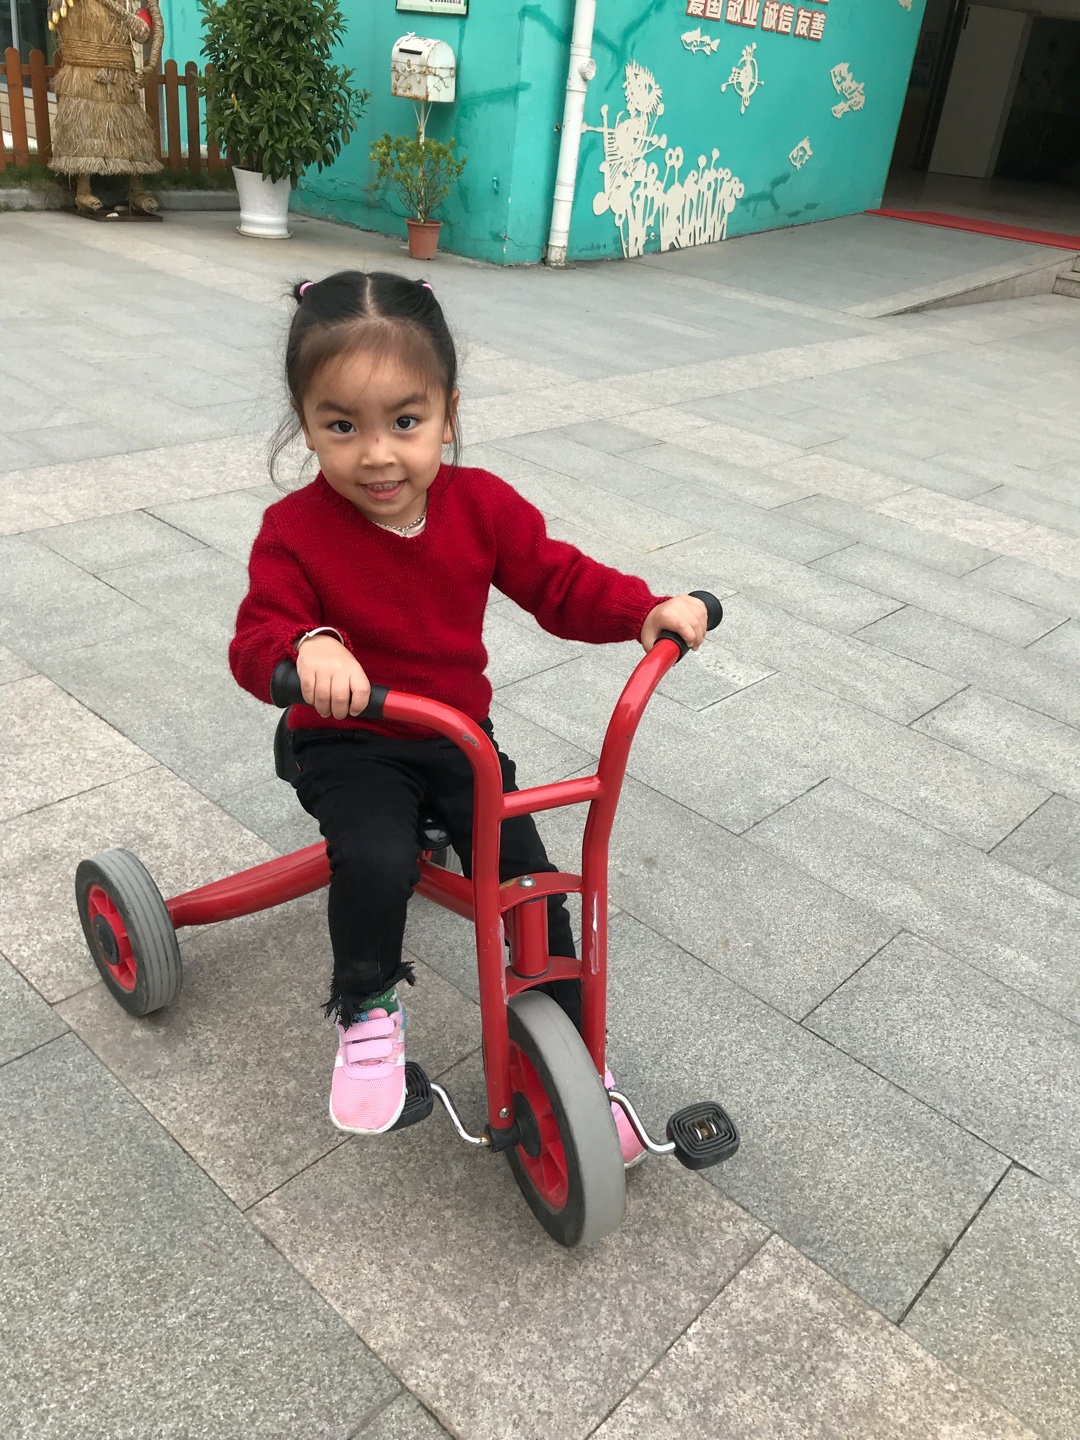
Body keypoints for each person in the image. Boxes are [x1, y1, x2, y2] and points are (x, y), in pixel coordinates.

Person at [229, 271, 708, 1158]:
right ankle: (367, 1009)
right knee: (377, 855)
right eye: (343, 427)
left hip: (458, 742)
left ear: (448, 415)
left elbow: (558, 580)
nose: (378, 455)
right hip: (349, 744)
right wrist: (309, 648)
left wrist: (642, 611)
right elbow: (256, 638)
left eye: (405, 422)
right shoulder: (293, 530)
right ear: (306, 426)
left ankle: (581, 1058)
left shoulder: (480, 504)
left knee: (530, 880)